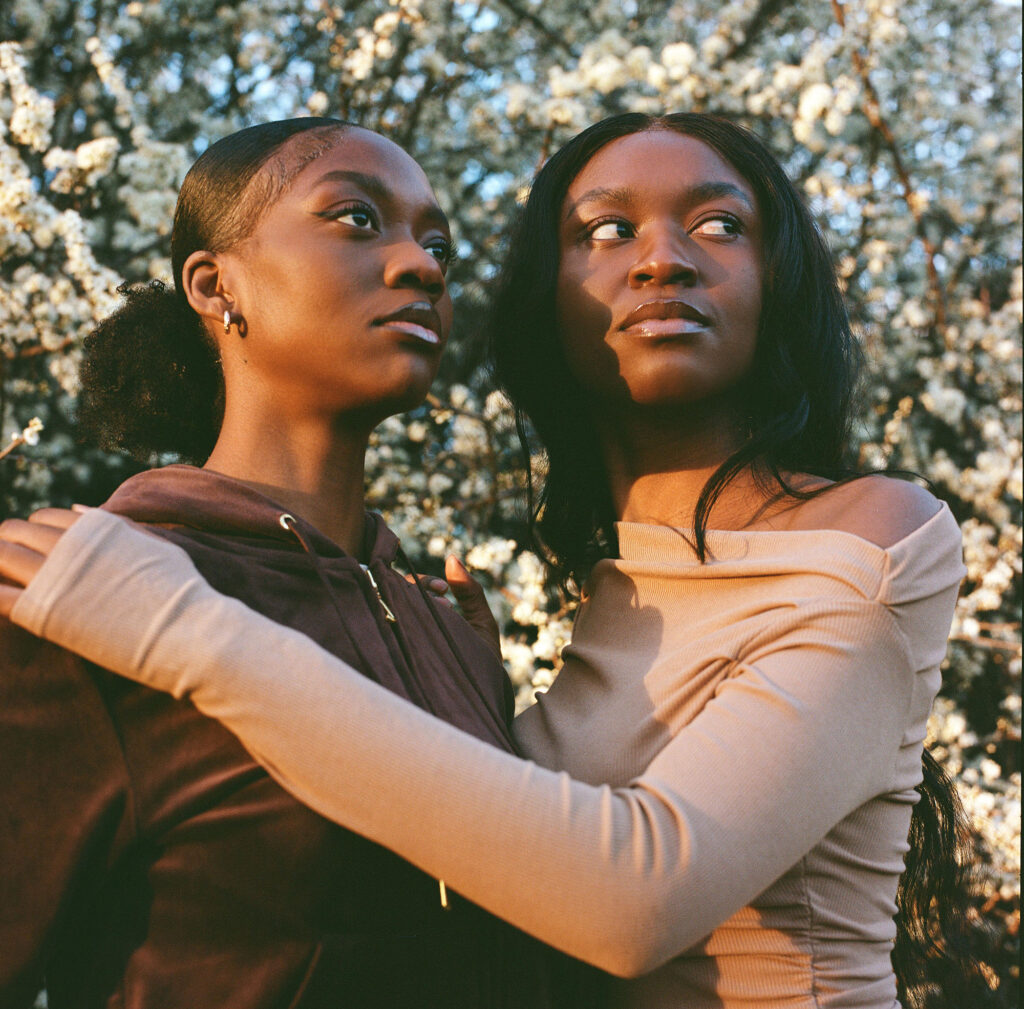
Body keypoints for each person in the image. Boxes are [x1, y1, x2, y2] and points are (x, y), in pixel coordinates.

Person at [0, 113, 977, 1007]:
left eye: (720, 224)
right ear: (215, 285)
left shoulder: (868, 541)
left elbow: (619, 895)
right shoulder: (90, 600)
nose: (663, 260)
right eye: (601, 232)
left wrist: (203, 638)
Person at [0, 117, 582, 1008]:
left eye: (438, 245)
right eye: (355, 217)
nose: (422, 265)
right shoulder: (81, 604)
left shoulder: (451, 626)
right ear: (215, 283)